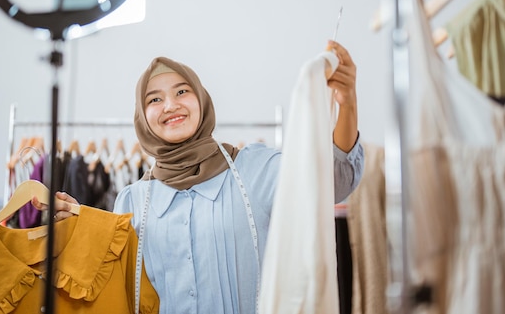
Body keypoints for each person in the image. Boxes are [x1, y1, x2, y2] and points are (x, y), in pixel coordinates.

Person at [43, 40, 364, 314]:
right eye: (154, 99)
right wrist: (83, 224)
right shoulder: (132, 200)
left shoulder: (257, 171)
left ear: (201, 99)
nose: (170, 105)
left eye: (182, 91)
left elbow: (332, 183)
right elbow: (118, 285)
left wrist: (346, 104)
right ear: (143, 117)